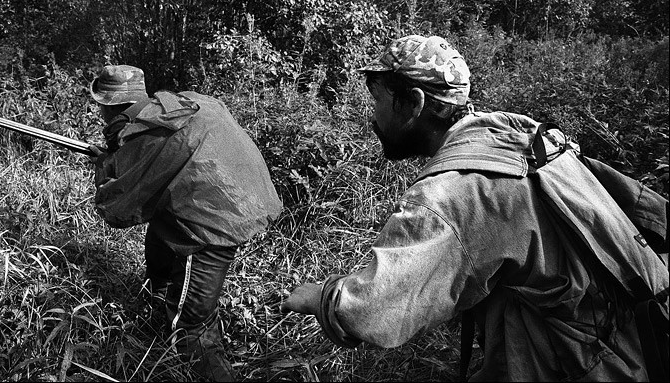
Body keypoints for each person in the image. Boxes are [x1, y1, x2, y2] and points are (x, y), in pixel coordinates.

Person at [281, 35, 669, 381]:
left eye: (379, 101)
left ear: (414, 103)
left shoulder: (451, 196)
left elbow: (374, 310)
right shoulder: (518, 135)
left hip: (594, 363)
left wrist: (319, 296)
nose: (373, 117)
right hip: (642, 331)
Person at [88, 65, 282, 381]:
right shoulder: (186, 101)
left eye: (102, 107)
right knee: (160, 235)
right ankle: (160, 313)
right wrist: (119, 154)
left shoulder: (146, 137)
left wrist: (106, 166)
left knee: (195, 326)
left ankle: (198, 351)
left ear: (109, 106)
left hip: (212, 223)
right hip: (249, 193)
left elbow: (116, 210)